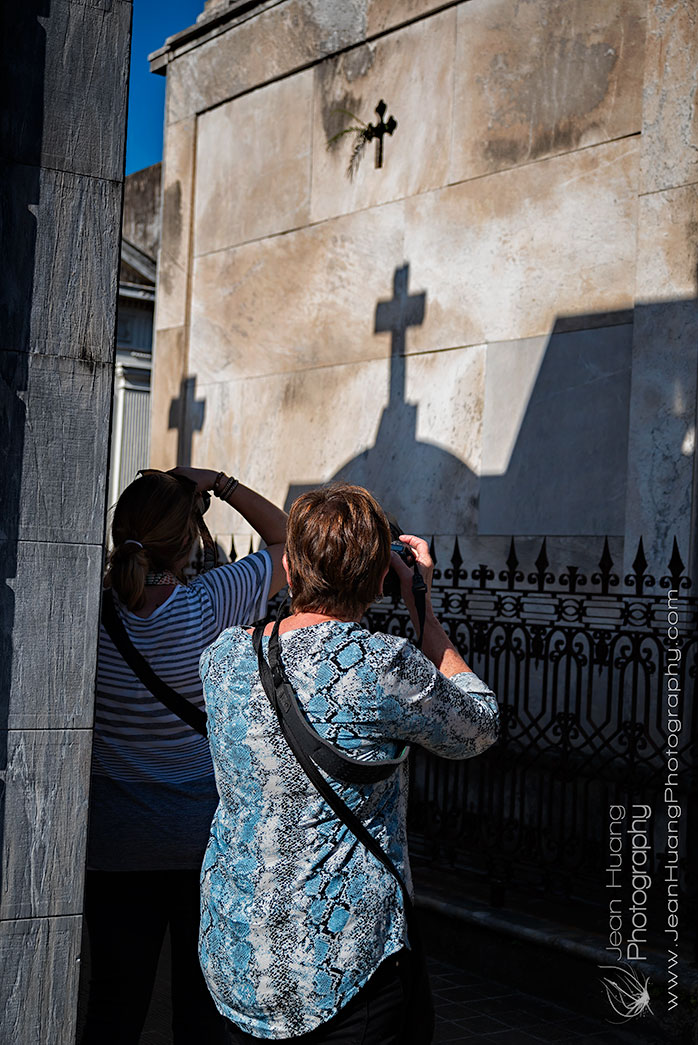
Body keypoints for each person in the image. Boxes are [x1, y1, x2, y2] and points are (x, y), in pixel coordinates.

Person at [198, 482, 499, 1043]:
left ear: (288, 569)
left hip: (236, 944)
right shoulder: (385, 668)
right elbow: (478, 727)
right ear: (380, 579)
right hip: (342, 962)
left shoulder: (223, 657)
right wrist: (422, 605)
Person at [81, 466, 287, 1045]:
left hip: (114, 843)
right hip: (200, 841)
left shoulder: (88, 616)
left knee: (114, 1008)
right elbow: (290, 545)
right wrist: (221, 484)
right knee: (201, 1015)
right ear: (189, 541)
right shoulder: (209, 604)